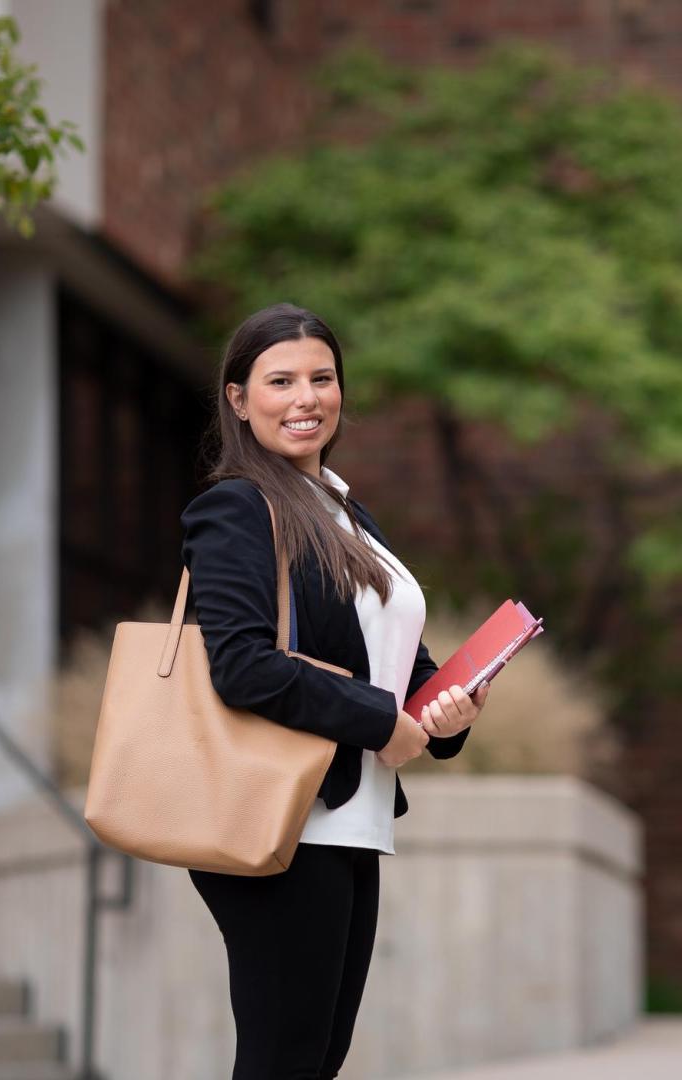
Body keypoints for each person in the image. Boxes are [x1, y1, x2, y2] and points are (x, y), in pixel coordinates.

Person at [181, 302, 488, 1079]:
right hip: (280, 823)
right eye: (280, 381)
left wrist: (443, 707)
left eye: (322, 378)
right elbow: (242, 664)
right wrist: (381, 721)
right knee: (284, 1059)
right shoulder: (238, 508)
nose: (305, 397)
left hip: (350, 820)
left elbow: (396, 660)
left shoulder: (349, 514)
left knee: (315, 1059)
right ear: (239, 399)